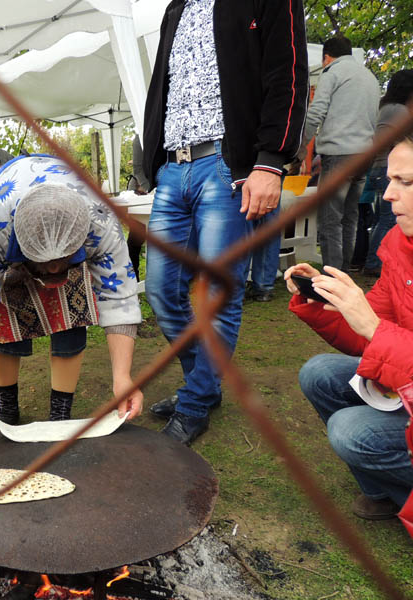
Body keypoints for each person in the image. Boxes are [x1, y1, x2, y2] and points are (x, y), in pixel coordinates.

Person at [140, 0, 308, 444]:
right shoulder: (176, 8)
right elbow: (162, 86)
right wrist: (150, 164)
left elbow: (287, 74)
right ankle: (205, 383)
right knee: (160, 289)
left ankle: (195, 402)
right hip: (174, 169)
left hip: (226, 166)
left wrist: (271, 162)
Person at [0, 156, 143, 429]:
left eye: (62, 258)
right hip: (11, 213)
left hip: (73, 214)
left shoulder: (99, 222)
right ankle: (6, 407)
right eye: (45, 261)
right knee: (5, 315)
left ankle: (60, 413)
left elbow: (119, 296)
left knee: (72, 313)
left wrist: (123, 378)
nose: (53, 268)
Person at [284, 132, 413, 522]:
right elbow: (364, 336)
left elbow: (376, 331)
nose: (388, 195)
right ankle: (386, 493)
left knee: (351, 430)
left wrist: (374, 327)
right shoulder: (397, 242)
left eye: (405, 182)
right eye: (390, 179)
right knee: (319, 372)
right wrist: (321, 301)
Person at [298, 35, 380, 272]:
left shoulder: (332, 72)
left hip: (339, 153)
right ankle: (343, 272)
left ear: (326, 57)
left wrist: (301, 147)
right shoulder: (369, 77)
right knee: (350, 216)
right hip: (365, 154)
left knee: (330, 219)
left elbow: (316, 113)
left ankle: (333, 277)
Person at [362, 69, 413, 277]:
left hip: (380, 168)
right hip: (388, 168)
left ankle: (374, 261)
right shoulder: (400, 111)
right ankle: (375, 262)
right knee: (389, 219)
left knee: (383, 218)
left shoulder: (387, 108)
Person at [126, 136, 148, 281]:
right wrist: (148, 188)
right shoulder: (139, 138)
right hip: (140, 194)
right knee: (133, 244)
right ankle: (135, 282)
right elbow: (138, 169)